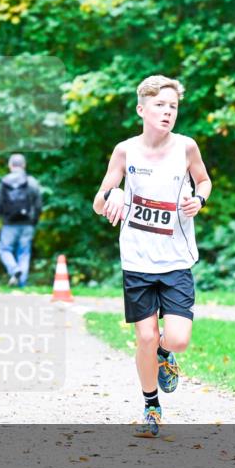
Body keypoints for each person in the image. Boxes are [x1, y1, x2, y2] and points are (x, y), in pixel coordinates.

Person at [92, 75, 211, 438]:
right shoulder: (125, 151)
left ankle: (166, 355)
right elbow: (100, 200)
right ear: (142, 109)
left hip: (175, 259)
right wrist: (110, 197)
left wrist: (199, 200)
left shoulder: (187, 147)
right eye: (160, 105)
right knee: (144, 337)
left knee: (176, 338)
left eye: (173, 106)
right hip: (138, 261)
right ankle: (151, 404)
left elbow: (204, 181)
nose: (167, 112)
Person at [0, 153, 43, 287]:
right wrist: (34, 221)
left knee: (4, 249)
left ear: (10, 165)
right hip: (27, 223)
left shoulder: (4, 182)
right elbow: (38, 205)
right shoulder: (32, 182)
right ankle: (22, 284)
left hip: (9, 224)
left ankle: (14, 270)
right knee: (24, 252)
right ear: (24, 165)